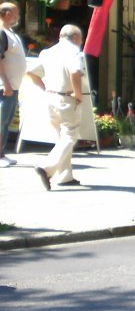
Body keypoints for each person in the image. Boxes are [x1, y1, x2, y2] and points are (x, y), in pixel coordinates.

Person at [26, 24, 86, 190]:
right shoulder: (74, 52)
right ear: (75, 38)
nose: (81, 41)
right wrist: (78, 94)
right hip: (66, 98)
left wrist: (44, 88)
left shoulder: (48, 52)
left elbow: (31, 72)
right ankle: (46, 167)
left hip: (51, 97)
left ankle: (64, 176)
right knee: (70, 136)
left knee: (61, 137)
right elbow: (75, 72)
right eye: (80, 38)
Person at [0, 2, 27, 167]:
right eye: (16, 13)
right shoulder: (2, 32)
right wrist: (6, 84)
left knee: (6, 121)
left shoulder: (10, 33)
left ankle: (2, 153)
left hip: (13, 85)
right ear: (7, 13)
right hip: (5, 86)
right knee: (1, 120)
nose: (18, 16)